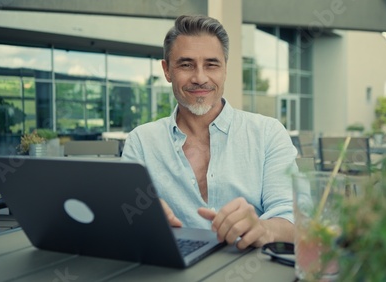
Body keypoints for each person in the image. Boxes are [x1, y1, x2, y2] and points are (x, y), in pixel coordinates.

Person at [121, 15, 297, 250]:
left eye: (211, 65)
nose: (200, 78)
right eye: (186, 64)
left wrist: (264, 228)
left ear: (225, 69)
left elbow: (294, 221)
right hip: (171, 270)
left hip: (251, 267)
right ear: (167, 70)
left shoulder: (268, 133)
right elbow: (121, 219)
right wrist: (139, 219)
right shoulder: (141, 142)